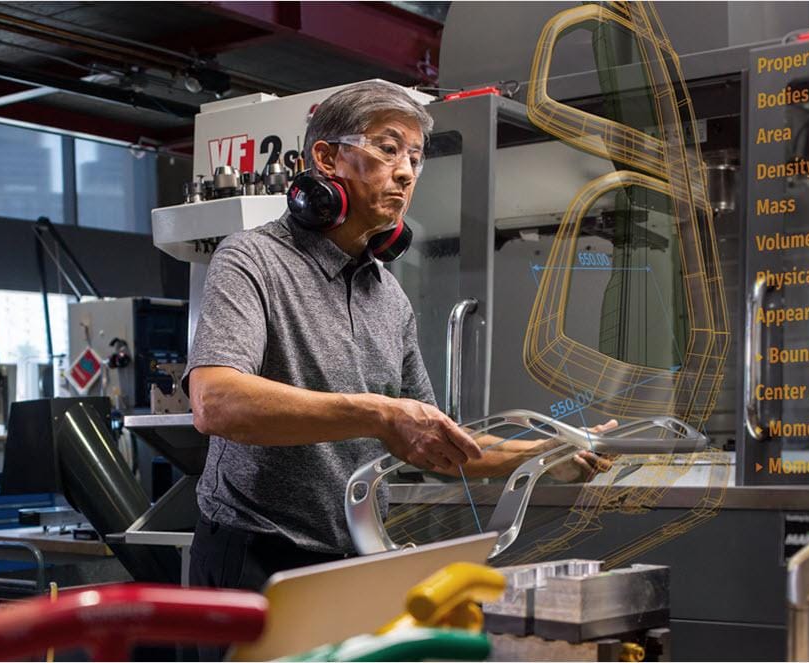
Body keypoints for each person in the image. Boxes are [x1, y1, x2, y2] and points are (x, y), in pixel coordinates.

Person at [185, 80, 612, 593]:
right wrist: (382, 414)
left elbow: (435, 444)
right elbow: (216, 403)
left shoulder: (389, 297)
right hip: (257, 556)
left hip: (357, 558)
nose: (407, 172)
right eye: (388, 150)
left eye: (415, 157)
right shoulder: (252, 258)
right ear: (326, 158)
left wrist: (545, 456)